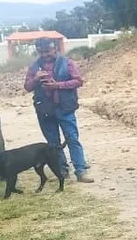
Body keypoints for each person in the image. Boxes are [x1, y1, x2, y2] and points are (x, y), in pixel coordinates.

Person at [24, 37, 93, 183]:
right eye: (41, 52)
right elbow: (27, 87)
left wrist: (58, 85)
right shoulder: (34, 67)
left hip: (65, 107)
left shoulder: (67, 63)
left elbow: (78, 81)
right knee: (53, 143)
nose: (44, 55)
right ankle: (62, 171)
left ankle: (81, 171)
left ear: (55, 48)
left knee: (72, 139)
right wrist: (36, 79)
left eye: (47, 51)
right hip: (45, 109)